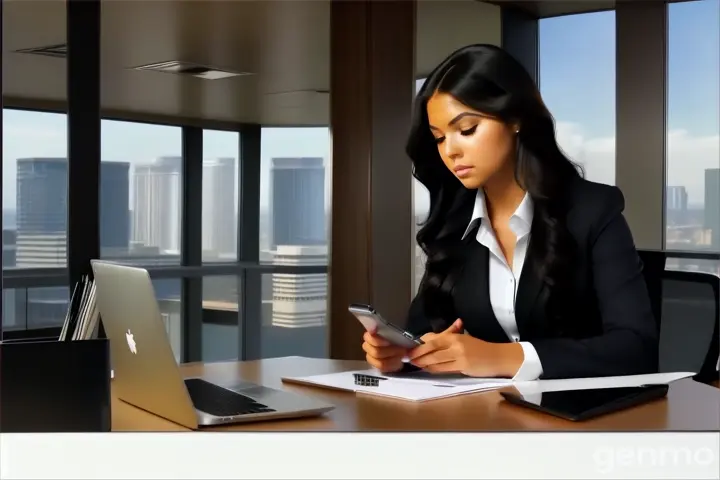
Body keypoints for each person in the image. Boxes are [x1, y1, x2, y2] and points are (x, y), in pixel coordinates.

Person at [361, 44, 659, 380]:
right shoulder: (455, 224)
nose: (451, 150)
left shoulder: (592, 211)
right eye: (439, 138)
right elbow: (423, 332)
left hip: (581, 420)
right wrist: (401, 353)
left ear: (515, 118)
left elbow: (637, 348)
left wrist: (504, 358)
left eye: (467, 129)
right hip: (485, 419)